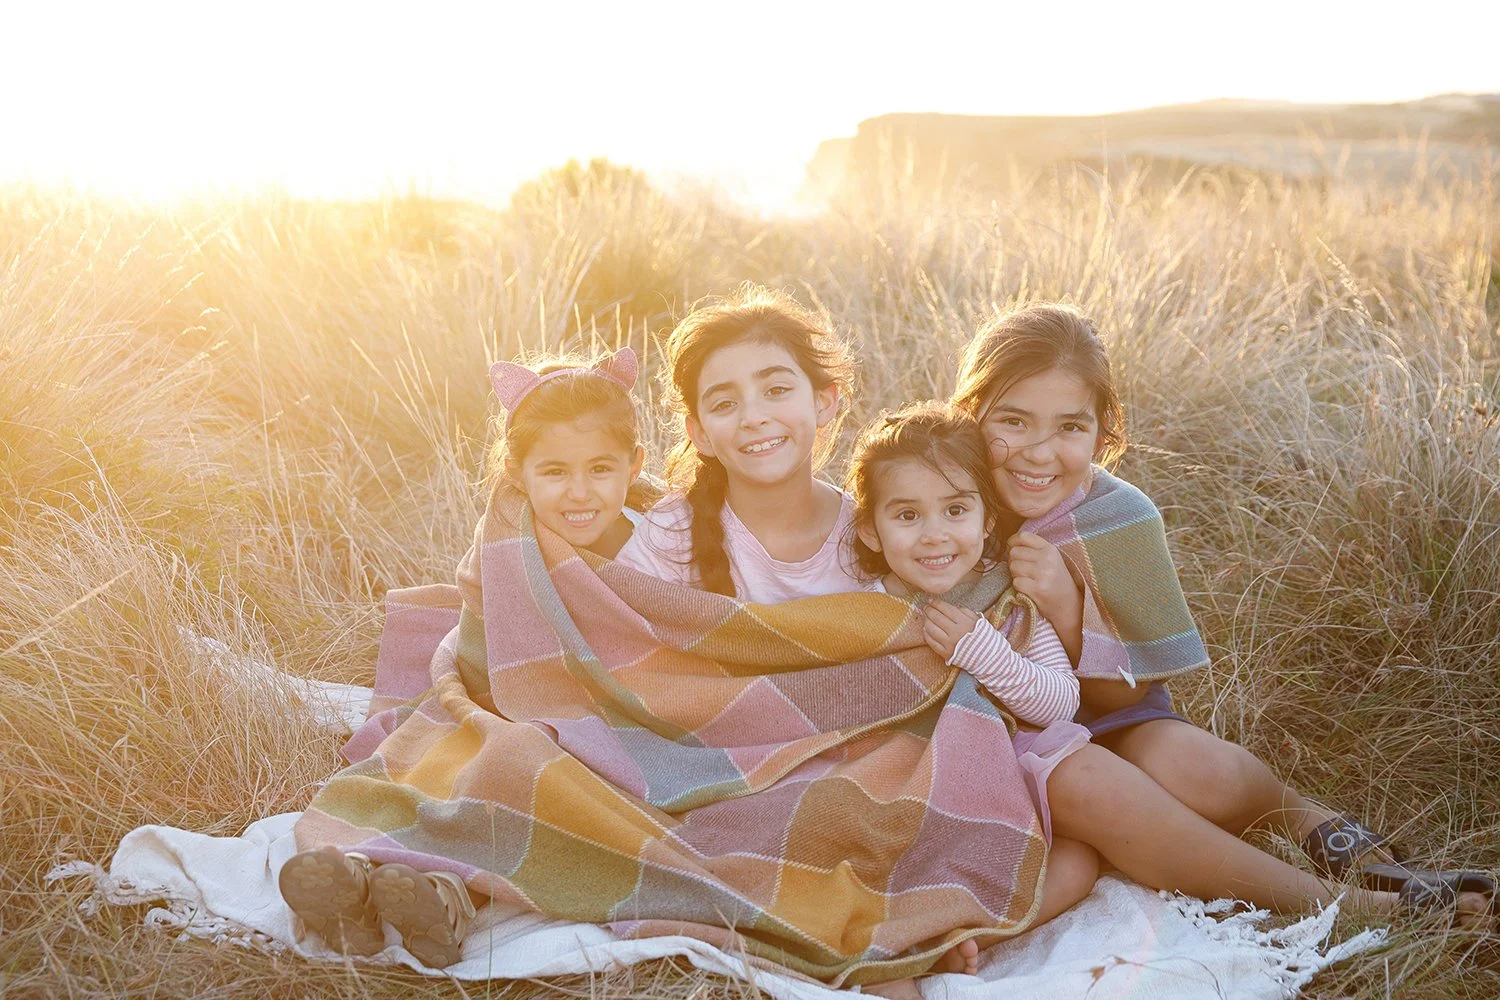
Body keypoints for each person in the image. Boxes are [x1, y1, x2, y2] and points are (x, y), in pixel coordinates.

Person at [944, 303, 1494, 919]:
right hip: (996, 738)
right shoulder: (939, 504)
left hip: (1110, 715)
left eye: (1070, 427)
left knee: (1200, 773)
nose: (1039, 453)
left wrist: (1068, 609)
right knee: (1098, 793)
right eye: (1014, 421)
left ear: (1102, 434)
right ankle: (1349, 905)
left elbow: (1125, 696)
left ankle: (1298, 815)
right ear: (970, 414)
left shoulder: (1117, 517)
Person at [278, 347, 646, 966]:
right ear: (516, 471)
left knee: (533, 777)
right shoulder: (504, 544)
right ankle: (353, 877)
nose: (579, 492)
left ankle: (444, 897)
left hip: (609, 724)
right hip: (498, 700)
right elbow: (487, 646)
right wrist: (516, 706)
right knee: (444, 761)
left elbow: (675, 648)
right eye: (555, 471)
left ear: (634, 464)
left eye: (600, 469)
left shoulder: (655, 544)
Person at [845, 401, 1101, 928]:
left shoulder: (1009, 601)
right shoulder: (861, 611)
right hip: (895, 794)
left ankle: (968, 937)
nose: (934, 534)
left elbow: (1062, 704)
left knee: (1077, 863)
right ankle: (909, 927)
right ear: (871, 530)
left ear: (988, 521)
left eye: (956, 511)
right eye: (908, 516)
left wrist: (987, 654)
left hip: (991, 787)